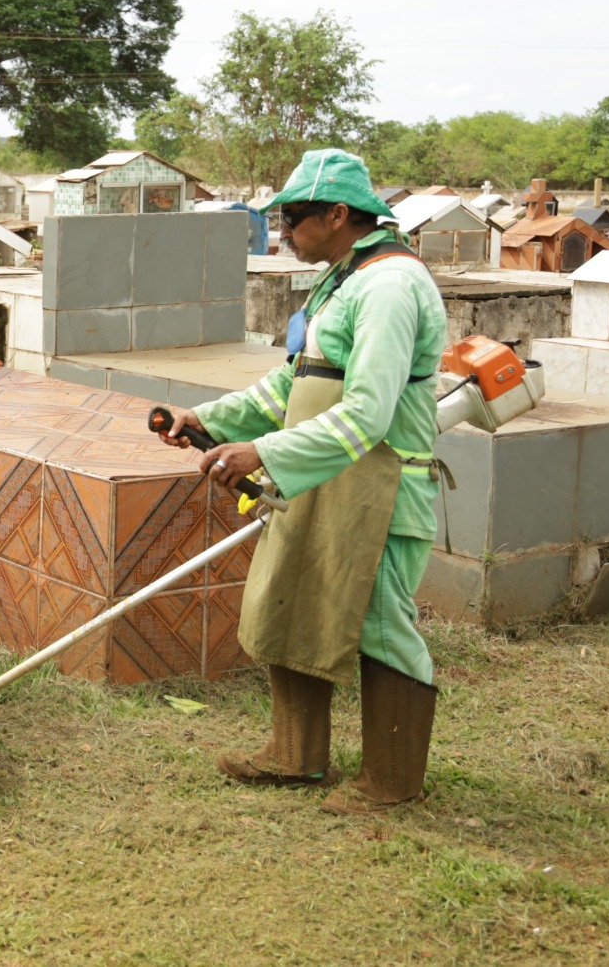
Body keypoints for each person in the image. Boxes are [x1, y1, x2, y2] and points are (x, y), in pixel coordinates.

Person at [154, 149, 447, 815]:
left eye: (293, 220)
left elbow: (370, 412)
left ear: (338, 214)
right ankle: (295, 756)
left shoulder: (391, 287)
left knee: (378, 624)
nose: (283, 234)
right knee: (290, 600)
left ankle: (392, 781)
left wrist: (262, 451)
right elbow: (294, 383)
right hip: (317, 477)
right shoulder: (343, 280)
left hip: (378, 486)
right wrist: (209, 417)